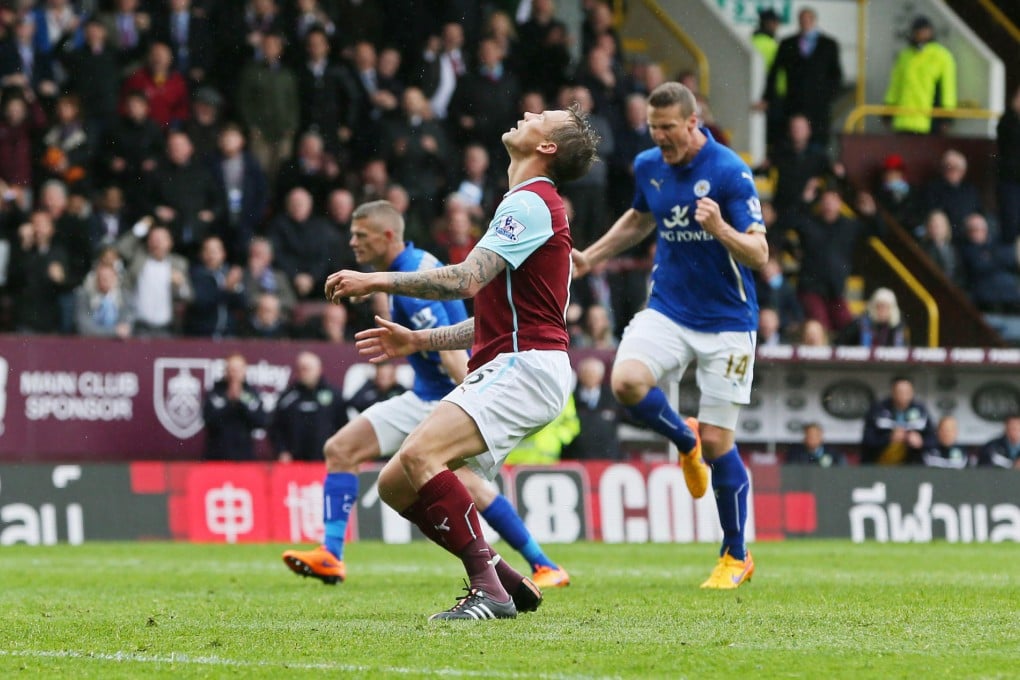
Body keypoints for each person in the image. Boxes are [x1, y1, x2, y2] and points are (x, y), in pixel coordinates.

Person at [288, 170, 602, 618]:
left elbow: (463, 289)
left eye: (361, 236)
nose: (353, 243)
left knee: (445, 471)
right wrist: (416, 343)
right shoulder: (509, 222)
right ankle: (502, 574)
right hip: (458, 383)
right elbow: (486, 325)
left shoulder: (525, 211)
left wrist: (373, 280)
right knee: (392, 483)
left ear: (388, 234)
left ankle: (511, 576)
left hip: (486, 380)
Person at [573, 82, 767, 589]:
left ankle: (735, 555)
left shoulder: (728, 171)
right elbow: (640, 219)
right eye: (652, 128)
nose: (660, 138)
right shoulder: (648, 166)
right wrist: (591, 257)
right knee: (627, 381)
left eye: (667, 128)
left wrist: (721, 229)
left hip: (729, 321)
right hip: (671, 309)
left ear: (692, 123)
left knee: (723, 443)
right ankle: (685, 437)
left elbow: (760, 254)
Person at [762, 7, 843, 147]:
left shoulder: (829, 45)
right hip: (794, 102)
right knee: (792, 139)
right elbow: (774, 72)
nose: (805, 23)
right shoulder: (787, 44)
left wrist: (827, 96)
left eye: (808, 19)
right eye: (802, 20)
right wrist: (768, 97)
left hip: (818, 105)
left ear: (814, 21)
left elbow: (836, 75)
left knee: (818, 142)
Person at [884, 16, 957, 135]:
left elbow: (948, 89)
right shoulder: (905, 56)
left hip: (930, 123)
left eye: (925, 31)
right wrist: (888, 109)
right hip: (903, 122)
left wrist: (947, 116)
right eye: (919, 31)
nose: (922, 35)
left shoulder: (942, 56)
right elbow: (895, 87)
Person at [270, 351, 347, 462]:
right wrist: (282, 451)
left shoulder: (334, 396)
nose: (303, 373)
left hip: (326, 460)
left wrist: (339, 451)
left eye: (307, 369)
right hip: (294, 463)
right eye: (300, 369)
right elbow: (275, 428)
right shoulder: (287, 397)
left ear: (319, 369)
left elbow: (343, 427)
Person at [202, 353, 266, 460]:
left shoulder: (251, 394)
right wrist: (228, 401)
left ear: (244, 371)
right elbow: (208, 420)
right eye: (231, 369)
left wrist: (241, 401)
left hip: (244, 457)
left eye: (237, 370)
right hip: (217, 456)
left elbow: (260, 421)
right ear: (225, 371)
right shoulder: (215, 393)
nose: (234, 374)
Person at [861, 376, 937, 465]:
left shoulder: (920, 410)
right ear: (892, 392)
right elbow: (867, 440)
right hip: (880, 465)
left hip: (912, 466)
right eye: (900, 392)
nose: (903, 395)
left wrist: (921, 442)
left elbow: (933, 439)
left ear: (912, 392)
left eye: (907, 392)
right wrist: (889, 438)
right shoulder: (878, 409)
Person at [563, 357, 622, 461]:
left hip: (607, 458)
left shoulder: (612, 398)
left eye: (594, 373)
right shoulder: (569, 399)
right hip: (577, 457)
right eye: (586, 372)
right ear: (580, 375)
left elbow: (631, 418)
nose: (590, 376)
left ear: (601, 376)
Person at [836, 287, 907, 348]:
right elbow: (841, 344)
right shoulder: (859, 325)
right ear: (873, 307)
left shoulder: (897, 328)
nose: (882, 311)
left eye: (886, 307)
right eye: (879, 306)